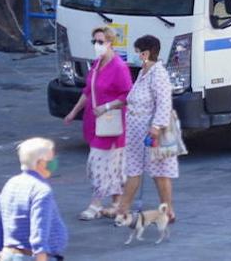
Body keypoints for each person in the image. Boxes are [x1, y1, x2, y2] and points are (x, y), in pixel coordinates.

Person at [62, 26, 131, 220]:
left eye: (100, 42)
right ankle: (117, 202)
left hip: (111, 123)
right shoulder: (97, 63)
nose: (97, 45)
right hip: (95, 122)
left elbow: (127, 94)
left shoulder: (119, 67)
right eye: (95, 41)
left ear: (110, 43)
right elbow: (88, 91)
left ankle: (96, 203)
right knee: (113, 165)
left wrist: (107, 107)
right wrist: (73, 112)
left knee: (98, 163)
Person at [116, 35, 178, 224]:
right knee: (133, 169)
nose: (135, 56)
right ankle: (122, 209)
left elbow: (164, 102)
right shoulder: (144, 72)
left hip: (153, 130)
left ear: (146, 53)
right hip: (136, 130)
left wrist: (156, 127)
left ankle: (168, 209)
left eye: (137, 52)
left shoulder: (158, 74)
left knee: (160, 172)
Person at [0, 137, 68, 261]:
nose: (54, 162)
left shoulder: (11, 183)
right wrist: (41, 256)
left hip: (9, 254)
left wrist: (0, 251)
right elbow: (39, 229)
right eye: (51, 159)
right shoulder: (41, 190)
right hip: (32, 256)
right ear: (41, 162)